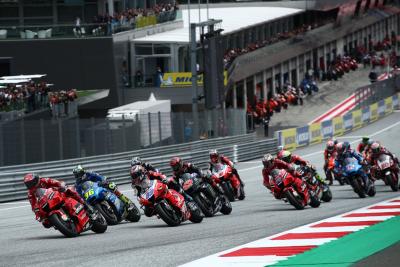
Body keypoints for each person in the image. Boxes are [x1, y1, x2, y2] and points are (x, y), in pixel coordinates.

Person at [24, 173, 95, 228]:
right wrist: (38, 213)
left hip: (57, 193)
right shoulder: (30, 193)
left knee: (69, 190)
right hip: (47, 203)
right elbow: (33, 205)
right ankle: (61, 223)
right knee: (45, 223)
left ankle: (85, 205)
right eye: (28, 184)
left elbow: (55, 182)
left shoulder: (44, 180)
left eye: (31, 183)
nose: (30, 185)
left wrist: (61, 185)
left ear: (36, 180)